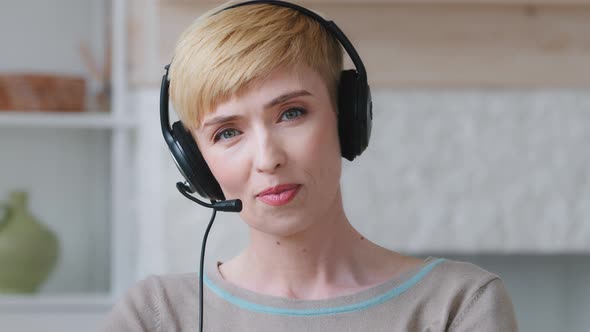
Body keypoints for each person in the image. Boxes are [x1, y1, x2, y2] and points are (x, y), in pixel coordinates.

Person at [101, 1, 518, 331]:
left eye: (291, 113)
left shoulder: (458, 304)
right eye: (227, 133)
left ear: (347, 116)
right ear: (195, 162)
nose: (268, 159)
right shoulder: (155, 317)